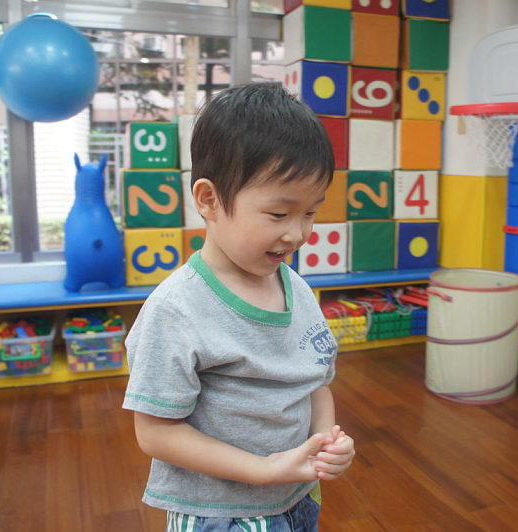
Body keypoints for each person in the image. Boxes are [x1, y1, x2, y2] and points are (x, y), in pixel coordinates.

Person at [123, 82, 355, 531]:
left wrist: (325, 441)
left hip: (297, 497)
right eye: (278, 214)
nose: (298, 233)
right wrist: (265, 469)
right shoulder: (175, 310)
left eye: (310, 212)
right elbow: (155, 433)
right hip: (219, 514)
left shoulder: (296, 289)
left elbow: (314, 385)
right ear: (209, 199)